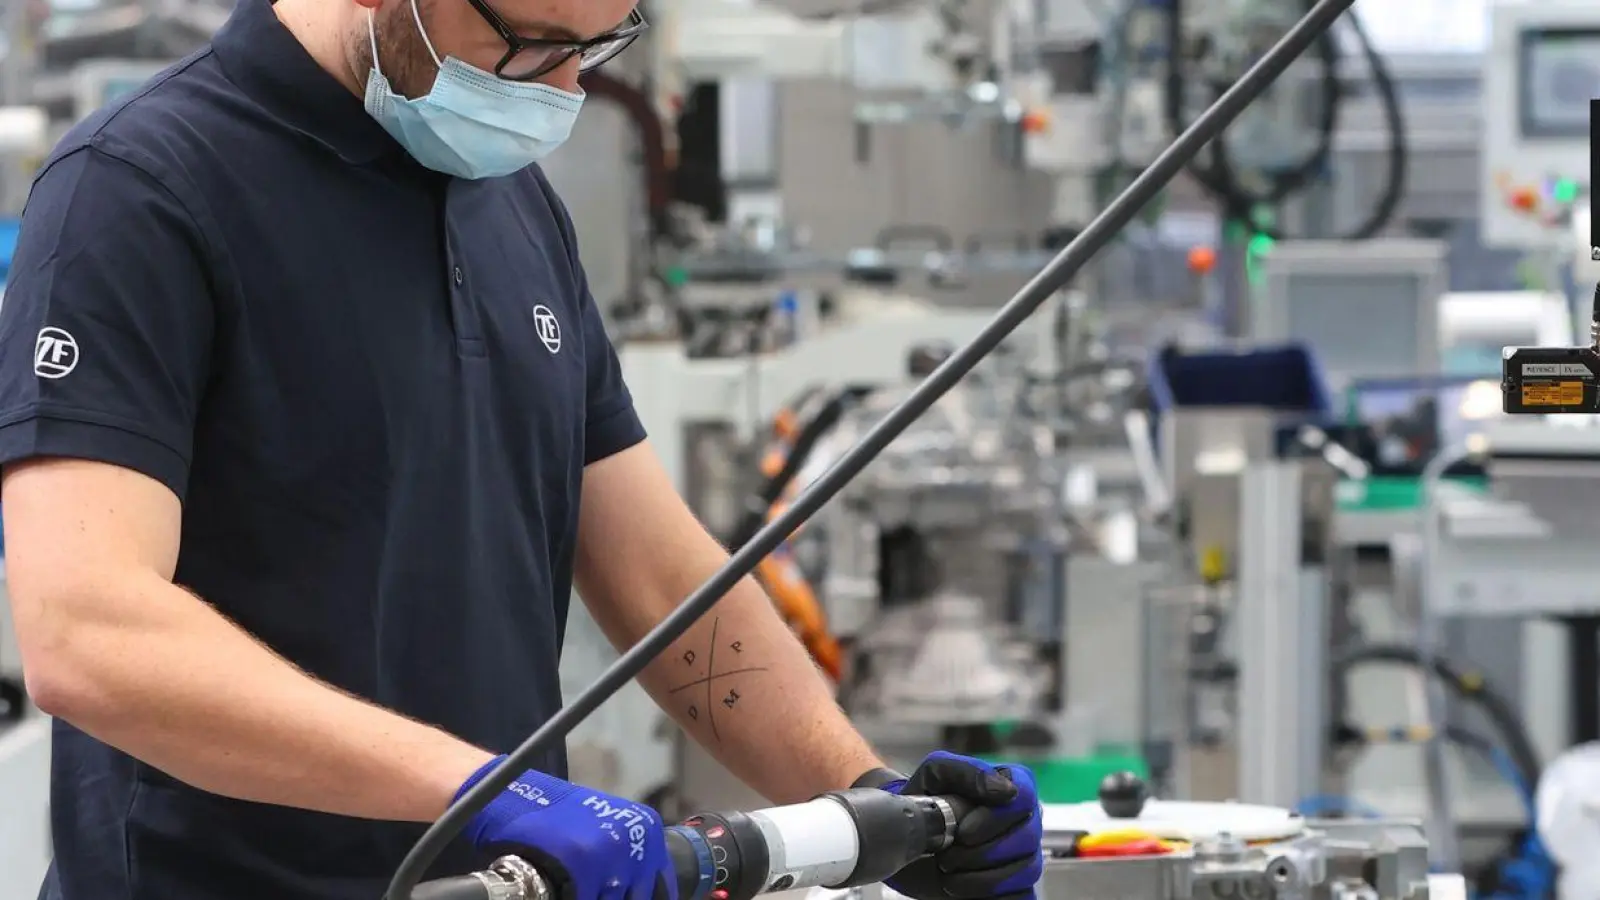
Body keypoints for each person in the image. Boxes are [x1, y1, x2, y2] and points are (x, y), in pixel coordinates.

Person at [0, 1, 1047, 900]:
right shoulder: (139, 191)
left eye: (597, 46)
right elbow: (89, 633)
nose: (565, 91)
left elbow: (663, 579)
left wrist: (871, 804)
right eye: (535, 45)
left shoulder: (515, 208)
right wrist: (484, 791)